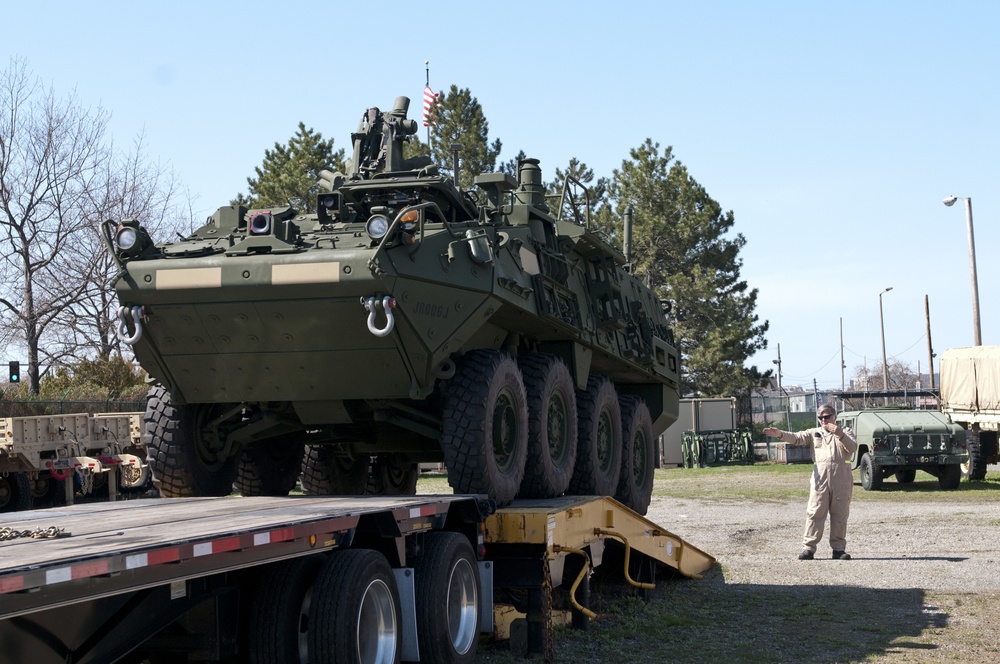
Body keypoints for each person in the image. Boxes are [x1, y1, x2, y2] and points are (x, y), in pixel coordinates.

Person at [763, 405, 858, 560]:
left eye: (827, 416)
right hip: (820, 478)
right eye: (820, 417)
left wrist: (839, 433)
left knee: (840, 514)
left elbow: (852, 447)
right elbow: (796, 438)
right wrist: (779, 434)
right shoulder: (814, 433)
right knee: (814, 512)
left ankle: (838, 549)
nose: (823, 420)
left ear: (834, 416)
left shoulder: (845, 432)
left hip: (841, 477)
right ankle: (809, 548)